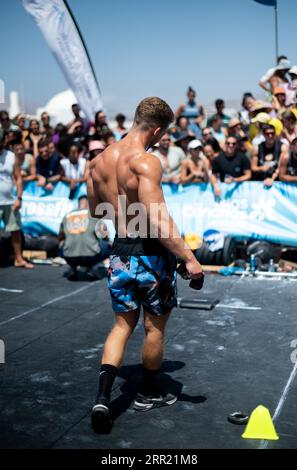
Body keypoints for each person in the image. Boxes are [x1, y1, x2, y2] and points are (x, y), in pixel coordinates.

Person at [87, 97, 203, 431]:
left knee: (121, 326)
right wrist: (189, 259)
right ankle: (148, 392)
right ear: (155, 128)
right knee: (154, 328)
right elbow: (158, 216)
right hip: (151, 254)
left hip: (120, 251)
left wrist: (124, 212)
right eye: (162, 135)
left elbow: (98, 213)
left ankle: (102, 398)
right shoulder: (146, 161)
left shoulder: (98, 161)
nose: (160, 140)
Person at [0, 132, 33, 268]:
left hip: (10, 200)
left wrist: (19, 198)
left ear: (4, 141)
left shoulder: (11, 156)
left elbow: (18, 177)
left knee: (15, 230)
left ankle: (18, 259)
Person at [59, 196, 111, 280]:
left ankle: (72, 267)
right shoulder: (94, 214)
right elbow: (105, 235)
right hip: (90, 257)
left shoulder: (66, 216)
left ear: (78, 203)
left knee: (62, 245)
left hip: (70, 257)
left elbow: (61, 237)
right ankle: (93, 268)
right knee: (109, 245)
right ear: (89, 203)